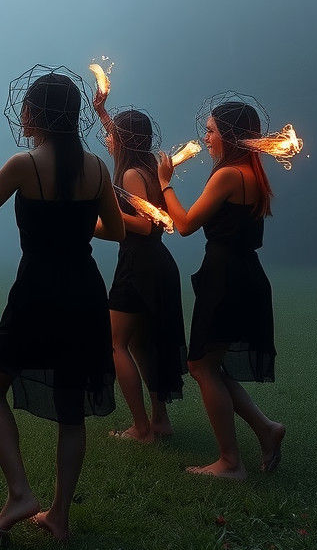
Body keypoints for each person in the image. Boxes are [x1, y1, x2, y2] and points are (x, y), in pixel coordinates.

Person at [0, 69, 125, 543]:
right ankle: (59, 516)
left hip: (37, 290)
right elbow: (118, 230)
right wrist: (76, 229)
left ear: (37, 114)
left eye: (27, 107)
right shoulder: (96, 169)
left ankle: (21, 492)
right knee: (71, 407)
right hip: (84, 291)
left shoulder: (25, 165)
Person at [157, 100, 285, 480]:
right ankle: (266, 428)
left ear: (228, 135)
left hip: (227, 278)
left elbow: (184, 225)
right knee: (209, 364)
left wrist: (165, 183)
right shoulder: (251, 172)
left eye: (212, 131)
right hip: (242, 274)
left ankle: (230, 462)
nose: (206, 138)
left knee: (200, 365)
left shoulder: (229, 174)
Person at [93, 98, 186, 442]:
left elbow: (147, 226)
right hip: (156, 263)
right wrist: (103, 112)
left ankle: (141, 427)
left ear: (123, 140)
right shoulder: (146, 164)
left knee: (115, 343)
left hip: (139, 263)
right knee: (145, 343)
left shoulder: (131, 174)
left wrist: (97, 217)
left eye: (112, 134)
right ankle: (159, 421)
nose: (107, 139)